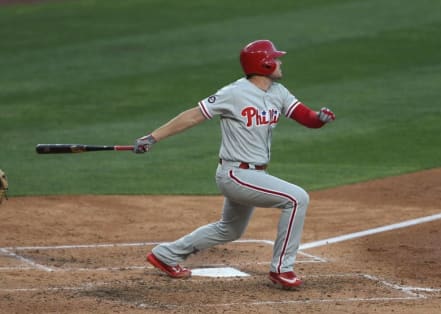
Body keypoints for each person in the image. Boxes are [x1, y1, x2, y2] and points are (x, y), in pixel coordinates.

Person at [134, 39, 335, 289]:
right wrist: (153, 137)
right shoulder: (234, 93)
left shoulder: (278, 92)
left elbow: (306, 118)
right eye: (276, 58)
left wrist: (320, 118)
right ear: (265, 63)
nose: (280, 61)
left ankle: (165, 255)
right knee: (296, 199)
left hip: (254, 174)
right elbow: (194, 115)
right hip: (236, 174)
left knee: (230, 229)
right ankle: (282, 269)